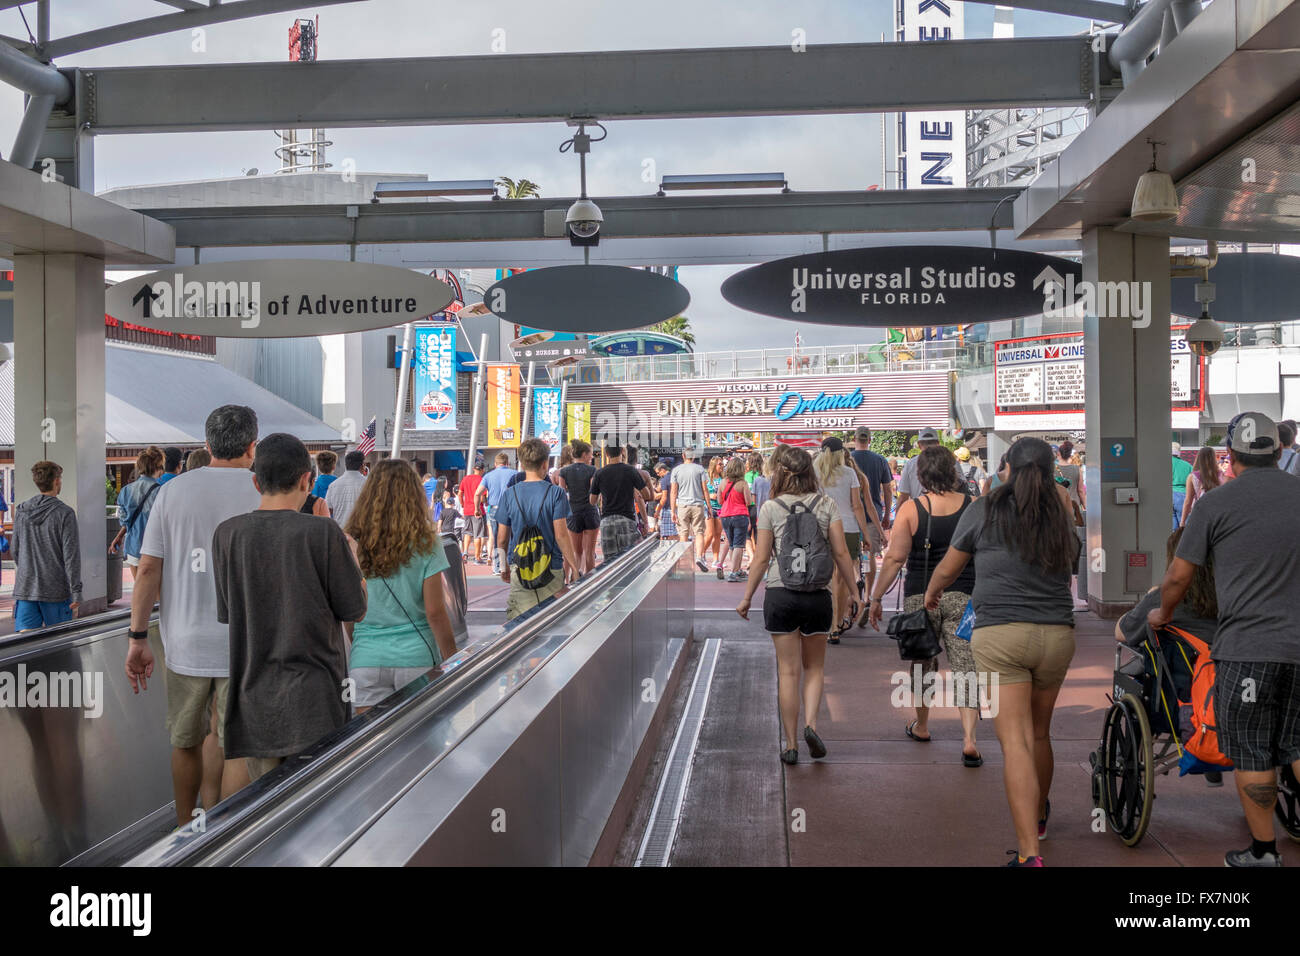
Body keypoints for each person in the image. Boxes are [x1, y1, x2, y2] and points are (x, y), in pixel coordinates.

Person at [1149, 411, 1300, 867]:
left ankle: (1264, 853)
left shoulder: (1216, 504)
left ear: (1230, 458)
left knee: (1254, 747)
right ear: (1280, 451)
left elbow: (1178, 576)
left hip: (1248, 649)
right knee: (1297, 742)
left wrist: (1163, 613)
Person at [924, 437, 1080, 866]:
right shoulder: (1059, 510)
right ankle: (1041, 815)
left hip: (1001, 635)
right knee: (1039, 733)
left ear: (1006, 466)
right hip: (1057, 633)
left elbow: (950, 567)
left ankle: (1029, 854)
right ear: (1051, 472)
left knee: (1015, 744)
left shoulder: (985, 507)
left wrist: (933, 594)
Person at [125, 405, 262, 825]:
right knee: (230, 737)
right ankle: (221, 825)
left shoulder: (173, 491)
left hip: (184, 641)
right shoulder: (263, 491)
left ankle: (185, 826)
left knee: (185, 739)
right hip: (244, 641)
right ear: (252, 446)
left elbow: (148, 568)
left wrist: (137, 637)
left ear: (206, 445)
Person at [212, 433, 367, 782]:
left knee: (268, 815)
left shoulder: (227, 534)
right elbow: (355, 609)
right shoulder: (323, 533)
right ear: (306, 479)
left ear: (256, 482)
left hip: (253, 701)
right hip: (316, 700)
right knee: (317, 808)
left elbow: (228, 612)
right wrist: (353, 559)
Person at [736, 444, 859, 765]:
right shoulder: (826, 504)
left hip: (781, 594)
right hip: (818, 595)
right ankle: (811, 726)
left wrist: (747, 596)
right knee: (814, 668)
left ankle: (790, 744)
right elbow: (841, 553)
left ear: (780, 474)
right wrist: (856, 593)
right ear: (810, 473)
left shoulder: (771, 508)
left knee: (788, 673)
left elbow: (761, 558)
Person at [869, 446, 981, 766]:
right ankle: (970, 739)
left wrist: (875, 598)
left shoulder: (912, 509)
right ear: (953, 471)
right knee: (966, 666)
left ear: (921, 475)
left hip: (920, 598)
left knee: (922, 664)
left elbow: (893, 559)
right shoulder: (974, 507)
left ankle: (922, 725)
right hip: (965, 595)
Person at [344, 459, 457, 712]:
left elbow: (349, 612)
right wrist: (453, 657)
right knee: (423, 743)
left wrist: (363, 643)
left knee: (371, 745)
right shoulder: (427, 544)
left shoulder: (352, 543)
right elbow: (435, 612)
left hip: (366, 660)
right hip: (416, 656)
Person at [495, 438, 578, 621]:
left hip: (520, 568)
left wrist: (504, 566)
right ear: (544, 463)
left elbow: (501, 539)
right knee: (553, 622)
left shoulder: (509, 494)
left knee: (519, 624)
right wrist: (575, 567)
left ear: (522, 463)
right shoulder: (556, 493)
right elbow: (561, 535)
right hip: (551, 567)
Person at [813, 438, 875, 641]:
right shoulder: (849, 473)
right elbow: (857, 506)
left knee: (827, 579)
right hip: (847, 528)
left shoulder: (814, 473)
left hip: (821, 527)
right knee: (842, 578)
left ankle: (829, 623)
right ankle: (837, 623)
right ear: (841, 453)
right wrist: (865, 534)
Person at [11, 460, 81, 631]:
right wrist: (76, 592)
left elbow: (15, 550)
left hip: (26, 589)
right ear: (56, 481)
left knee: (25, 646)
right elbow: (71, 557)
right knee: (61, 645)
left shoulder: (21, 511)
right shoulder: (65, 514)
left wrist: (28, 570)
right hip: (56, 591)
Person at [850, 428, 893, 620]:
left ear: (854, 439)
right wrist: (885, 515)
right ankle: (868, 594)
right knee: (868, 556)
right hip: (872, 515)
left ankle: (853, 592)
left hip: (850, 516)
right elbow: (888, 490)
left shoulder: (848, 460)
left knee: (850, 558)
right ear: (870, 440)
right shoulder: (880, 460)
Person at [111, 446, 166, 583]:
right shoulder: (162, 492)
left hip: (133, 546)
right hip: (155, 548)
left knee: (139, 590)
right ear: (158, 467)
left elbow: (126, 520)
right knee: (158, 594)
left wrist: (118, 537)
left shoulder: (125, 491)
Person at [590, 444, 647, 563]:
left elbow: (592, 501)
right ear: (622, 451)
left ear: (606, 454)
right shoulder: (630, 470)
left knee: (609, 562)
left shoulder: (599, 473)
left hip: (606, 521)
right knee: (629, 559)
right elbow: (645, 495)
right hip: (626, 519)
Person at [558, 439, 600, 575]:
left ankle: (575, 580)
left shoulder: (564, 472)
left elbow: (562, 493)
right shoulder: (592, 470)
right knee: (589, 552)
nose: (592, 457)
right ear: (584, 454)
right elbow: (594, 494)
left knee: (576, 552)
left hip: (573, 512)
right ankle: (590, 582)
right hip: (590, 512)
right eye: (590, 454)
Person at [671, 448, 714, 573]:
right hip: (698, 505)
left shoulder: (676, 470)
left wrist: (673, 510)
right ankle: (699, 557)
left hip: (683, 506)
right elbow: (705, 489)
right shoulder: (700, 469)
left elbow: (673, 491)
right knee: (699, 533)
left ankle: (685, 562)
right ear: (693, 456)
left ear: (683, 455)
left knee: (683, 534)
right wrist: (709, 507)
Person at [476, 452, 517, 575]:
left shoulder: (488, 476)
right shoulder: (514, 474)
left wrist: (477, 508)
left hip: (494, 508)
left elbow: (477, 493)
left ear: (495, 464)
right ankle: (508, 564)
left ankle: (497, 566)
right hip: (510, 507)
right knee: (509, 536)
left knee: (495, 536)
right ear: (507, 463)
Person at [717, 457, 754, 582]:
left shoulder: (723, 482)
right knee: (739, 545)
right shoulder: (742, 484)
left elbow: (719, 501)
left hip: (725, 516)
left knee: (732, 544)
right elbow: (749, 501)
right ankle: (733, 572)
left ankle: (737, 569)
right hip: (740, 515)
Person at [895, 427, 944, 511]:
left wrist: (897, 520)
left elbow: (903, 496)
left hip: (919, 512)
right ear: (938, 443)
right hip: (946, 512)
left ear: (919, 444)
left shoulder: (910, 464)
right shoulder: (950, 461)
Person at [325, 450, 369, 529]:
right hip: (361, 532)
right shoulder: (368, 484)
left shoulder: (333, 485)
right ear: (363, 465)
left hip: (340, 533)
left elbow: (328, 510)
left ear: (346, 465)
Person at [1180, 445, 1221, 525]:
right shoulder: (1222, 475)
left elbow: (1188, 501)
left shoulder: (1192, 477)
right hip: (1217, 515)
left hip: (1199, 515)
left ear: (1199, 458)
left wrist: (1182, 522)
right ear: (1213, 458)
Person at [458, 458, 487, 564]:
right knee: (478, 534)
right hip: (478, 510)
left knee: (467, 532)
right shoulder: (481, 480)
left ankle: (464, 553)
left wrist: (462, 503)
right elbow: (483, 497)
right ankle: (477, 557)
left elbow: (460, 493)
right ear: (482, 470)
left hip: (467, 510)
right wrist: (484, 503)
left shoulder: (465, 479)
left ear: (474, 469)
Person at [704, 457, 725, 573]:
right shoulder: (707, 478)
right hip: (709, 508)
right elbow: (700, 492)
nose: (722, 466)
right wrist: (709, 496)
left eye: (722, 464)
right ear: (713, 466)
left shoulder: (723, 478)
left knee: (718, 535)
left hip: (720, 508)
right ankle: (701, 554)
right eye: (719, 464)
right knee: (710, 534)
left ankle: (716, 559)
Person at [1171, 442, 1192, 530]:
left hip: (1167, 495)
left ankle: (1173, 543)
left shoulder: (1163, 464)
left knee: (1172, 527)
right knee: (1184, 526)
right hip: (1183, 496)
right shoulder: (1188, 465)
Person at [655, 462, 677, 540]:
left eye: (658, 473)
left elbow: (664, 498)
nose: (658, 475)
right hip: (678, 506)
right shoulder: (674, 476)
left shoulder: (664, 480)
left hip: (668, 508)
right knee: (677, 533)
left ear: (663, 470)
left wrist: (657, 511)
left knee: (666, 535)